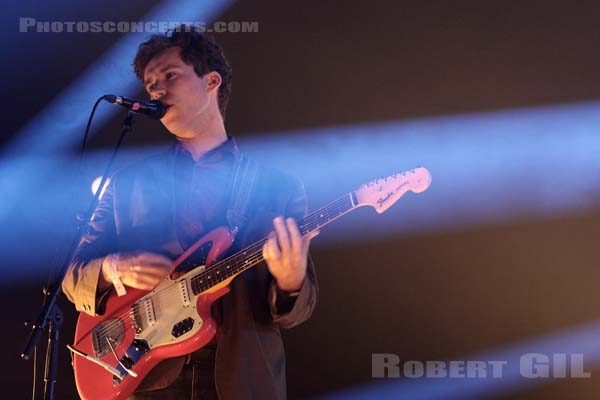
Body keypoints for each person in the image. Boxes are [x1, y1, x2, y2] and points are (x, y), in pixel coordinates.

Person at [62, 25, 319, 400]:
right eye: (151, 84)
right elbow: (71, 278)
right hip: (147, 376)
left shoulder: (278, 187)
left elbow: (297, 311)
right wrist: (114, 267)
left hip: (237, 379)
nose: (157, 90)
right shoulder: (128, 184)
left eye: (170, 75)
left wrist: (291, 281)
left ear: (211, 81)